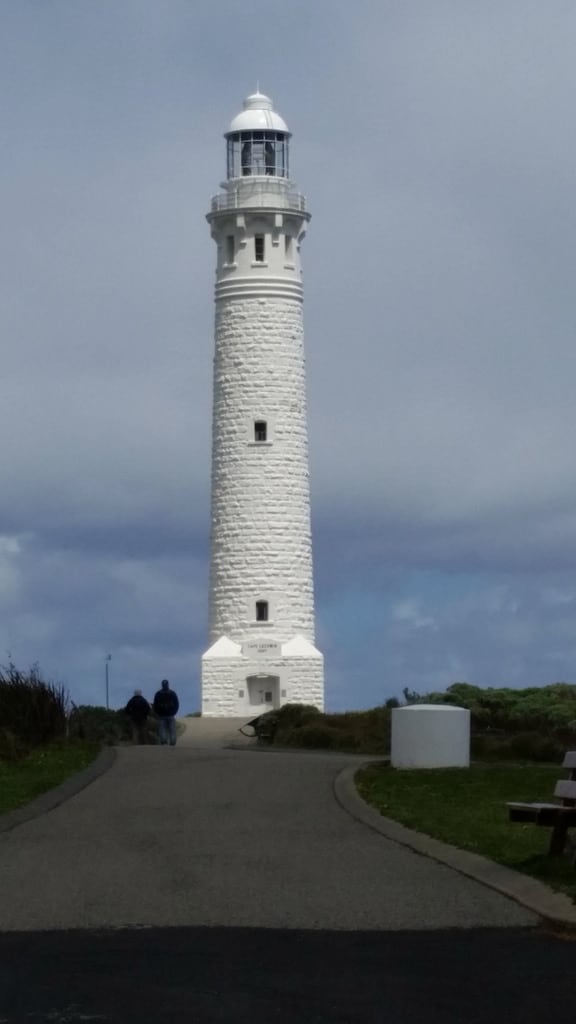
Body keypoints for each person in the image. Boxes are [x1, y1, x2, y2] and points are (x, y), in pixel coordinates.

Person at [153, 679, 180, 746]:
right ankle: (172, 742)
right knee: (172, 729)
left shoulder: (158, 694)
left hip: (162, 715)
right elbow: (176, 704)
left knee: (162, 729)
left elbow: (155, 705)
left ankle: (164, 741)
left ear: (162, 685)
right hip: (170, 714)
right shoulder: (172, 693)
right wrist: (174, 712)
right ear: (168, 685)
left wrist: (157, 713)